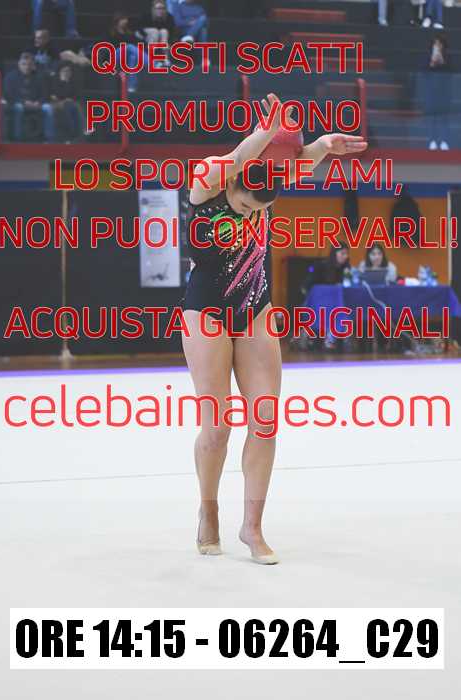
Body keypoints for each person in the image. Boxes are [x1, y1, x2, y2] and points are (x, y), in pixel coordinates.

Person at [181, 92, 367, 564]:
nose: (250, 214)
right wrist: (262, 134)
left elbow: (299, 162)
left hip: (255, 310)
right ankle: (208, 509)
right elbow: (237, 158)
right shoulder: (208, 177)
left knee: (265, 420)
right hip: (207, 313)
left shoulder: (267, 178)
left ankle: (252, 526)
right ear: (239, 178)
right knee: (218, 427)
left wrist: (323, 146)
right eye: (245, 205)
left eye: (258, 210)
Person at [3, 53, 54, 142]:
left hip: (36, 104)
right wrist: (23, 102)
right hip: (18, 103)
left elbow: (45, 94)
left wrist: (39, 102)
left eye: (29, 64)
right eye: (24, 64)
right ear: (19, 64)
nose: (27, 67)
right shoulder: (10, 77)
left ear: (33, 65)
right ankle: (17, 138)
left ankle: (49, 138)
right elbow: (8, 95)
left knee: (48, 108)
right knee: (18, 108)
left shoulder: (40, 76)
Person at [424, 36, 451, 150]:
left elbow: (451, 71)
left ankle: (444, 141)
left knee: (444, 118)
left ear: (443, 46)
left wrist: (442, 61)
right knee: (432, 118)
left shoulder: (448, 57)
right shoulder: (427, 57)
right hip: (431, 92)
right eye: (435, 44)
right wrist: (432, 62)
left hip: (444, 92)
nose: (437, 46)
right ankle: (432, 141)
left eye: (439, 44)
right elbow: (424, 71)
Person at [108, 13, 143, 93]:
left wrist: (140, 37)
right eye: (123, 19)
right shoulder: (111, 32)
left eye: (126, 19)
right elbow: (102, 44)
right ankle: (153, 63)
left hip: (125, 57)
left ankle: (131, 86)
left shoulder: (129, 33)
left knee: (133, 57)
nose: (125, 21)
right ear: (117, 21)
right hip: (114, 56)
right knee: (129, 46)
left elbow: (138, 42)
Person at [49, 62, 84, 142]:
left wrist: (67, 82)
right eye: (64, 71)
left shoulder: (73, 82)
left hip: (69, 103)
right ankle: (71, 135)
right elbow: (54, 95)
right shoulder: (55, 81)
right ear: (60, 72)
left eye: (68, 71)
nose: (67, 73)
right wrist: (65, 98)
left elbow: (76, 95)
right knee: (69, 106)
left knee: (74, 107)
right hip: (56, 103)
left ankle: (77, 134)